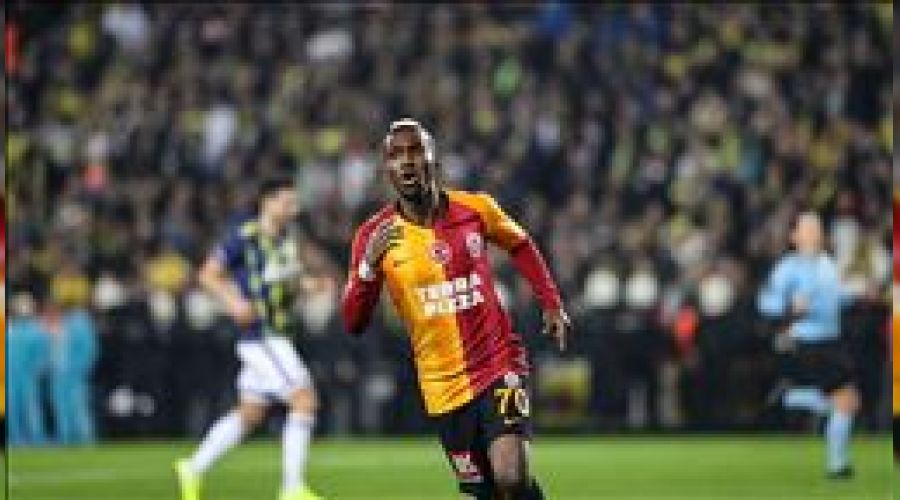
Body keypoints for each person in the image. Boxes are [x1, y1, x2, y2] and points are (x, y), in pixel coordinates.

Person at [341, 119, 571, 499]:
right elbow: (353, 322)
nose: (406, 161)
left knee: (511, 475)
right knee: (489, 492)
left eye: (415, 151)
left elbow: (520, 244)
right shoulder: (374, 236)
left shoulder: (476, 208)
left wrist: (551, 301)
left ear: (434, 159)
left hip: (498, 363)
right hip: (442, 387)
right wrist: (367, 268)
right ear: (387, 170)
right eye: (396, 155)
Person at [175, 177, 325, 500]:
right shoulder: (244, 237)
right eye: (287, 202)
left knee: (250, 413)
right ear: (267, 202)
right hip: (262, 336)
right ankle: (292, 488)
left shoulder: (286, 239)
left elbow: (284, 281)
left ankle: (192, 468)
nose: (294, 209)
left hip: (278, 334)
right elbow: (207, 274)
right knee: (304, 400)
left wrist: (308, 285)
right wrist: (233, 302)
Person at [758, 211, 859, 479]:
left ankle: (792, 399)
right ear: (794, 236)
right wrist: (791, 307)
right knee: (845, 400)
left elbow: (836, 299)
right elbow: (767, 304)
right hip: (808, 341)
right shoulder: (788, 268)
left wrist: (855, 294)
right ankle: (836, 465)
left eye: (818, 228)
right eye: (808, 228)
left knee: (847, 402)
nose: (815, 233)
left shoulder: (828, 264)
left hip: (832, 341)